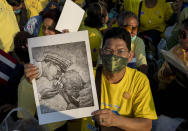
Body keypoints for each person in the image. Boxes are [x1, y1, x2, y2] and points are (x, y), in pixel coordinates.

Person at [81, 27, 157, 131]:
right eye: (108, 50)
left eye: (121, 51)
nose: (114, 56)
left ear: (130, 56)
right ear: (101, 53)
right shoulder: (87, 76)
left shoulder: (139, 80)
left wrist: (114, 120)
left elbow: (146, 125)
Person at [79, 2, 108, 67]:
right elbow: (93, 61)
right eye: (107, 14)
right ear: (103, 19)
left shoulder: (83, 27)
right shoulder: (95, 36)